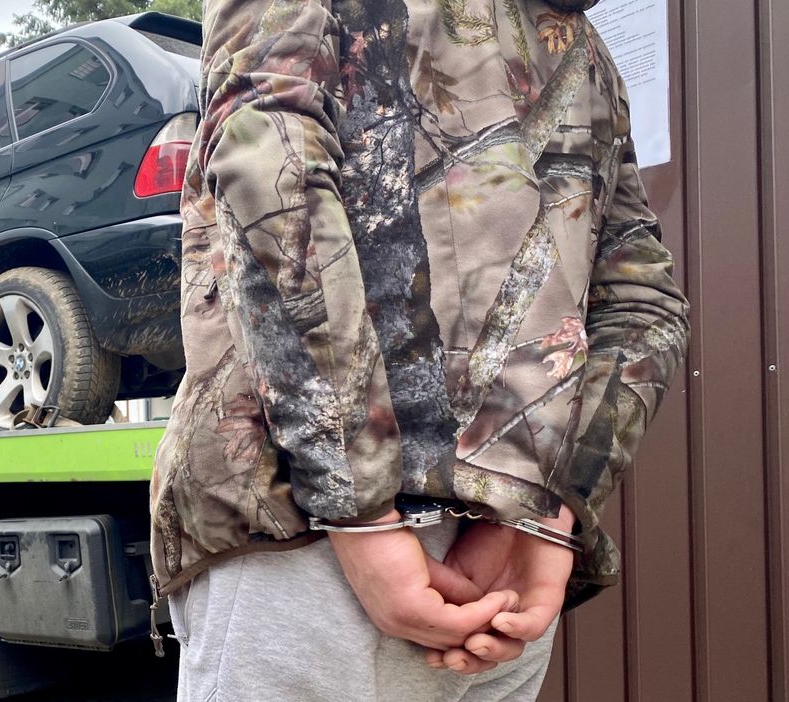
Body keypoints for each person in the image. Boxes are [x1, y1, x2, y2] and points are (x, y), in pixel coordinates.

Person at [150, 0, 690, 698]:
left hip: (319, 546)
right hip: (465, 562)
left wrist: (367, 517)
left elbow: (269, 178)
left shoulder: (583, 48)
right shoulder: (582, 50)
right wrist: (544, 515)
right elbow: (644, 303)